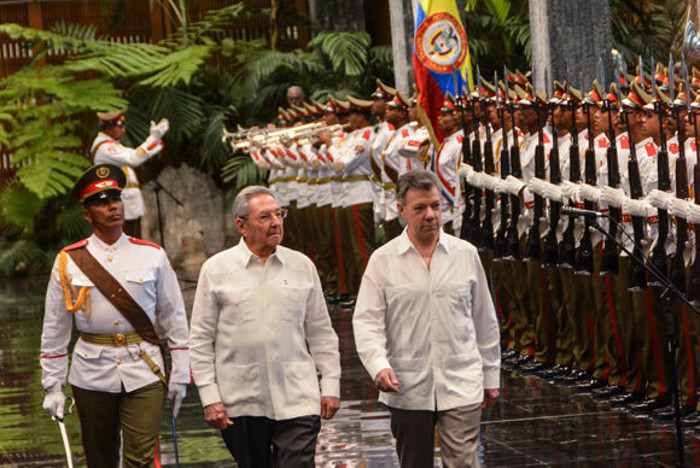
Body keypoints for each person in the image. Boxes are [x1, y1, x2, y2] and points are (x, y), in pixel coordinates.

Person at [40, 163, 190, 467]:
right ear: (87, 214)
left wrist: (181, 375)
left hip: (144, 367)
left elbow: (175, 318)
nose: (112, 206)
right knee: (101, 459)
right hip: (91, 372)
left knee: (141, 458)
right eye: (101, 202)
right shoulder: (68, 261)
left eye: (116, 199)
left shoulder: (152, 254)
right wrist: (53, 386)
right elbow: (55, 329)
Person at [353, 170, 501, 467]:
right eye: (420, 208)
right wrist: (378, 366)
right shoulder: (383, 260)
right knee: (414, 461)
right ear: (401, 211)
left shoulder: (465, 254)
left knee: (463, 461)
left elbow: (485, 319)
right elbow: (367, 321)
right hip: (407, 384)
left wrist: (490, 376)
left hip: (461, 380)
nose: (431, 215)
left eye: (436, 206)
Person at [189, 185, 341, 467]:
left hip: (298, 396)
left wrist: (330, 384)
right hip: (241, 400)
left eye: (279, 214)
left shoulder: (301, 266)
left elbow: (321, 332)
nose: (275, 222)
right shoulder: (216, 269)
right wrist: (210, 397)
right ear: (241, 225)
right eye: (265, 217)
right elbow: (200, 339)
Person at [91, 110, 170, 237]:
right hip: (118, 202)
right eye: (121, 126)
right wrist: (153, 138)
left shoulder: (114, 145)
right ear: (110, 127)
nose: (124, 130)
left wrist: (155, 139)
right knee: (125, 242)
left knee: (134, 241)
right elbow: (134, 159)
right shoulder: (105, 148)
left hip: (127, 201)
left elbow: (133, 154)